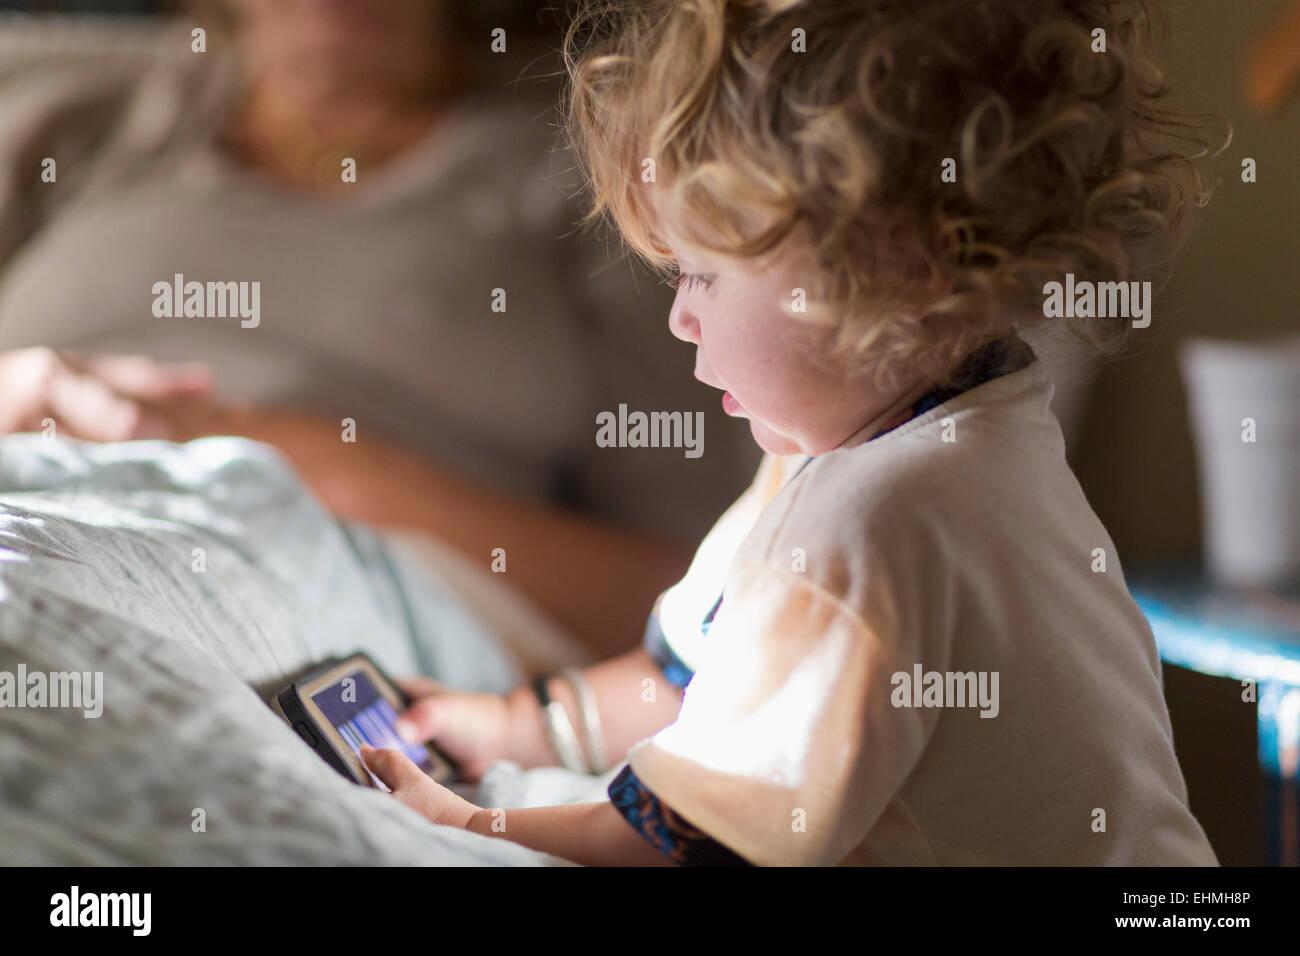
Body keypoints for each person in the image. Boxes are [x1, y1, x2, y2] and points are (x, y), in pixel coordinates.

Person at [355, 0, 1221, 866]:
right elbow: (684, 681)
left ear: (896, 272)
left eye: (701, 273)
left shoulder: (873, 527)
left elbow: (688, 843)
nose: (681, 319)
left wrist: (469, 825)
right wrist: (514, 727)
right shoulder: (949, 426)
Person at [0, 3, 759, 657]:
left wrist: (282, 457)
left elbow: (706, 601)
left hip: (314, 576)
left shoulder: (599, 159)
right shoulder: (88, 106)